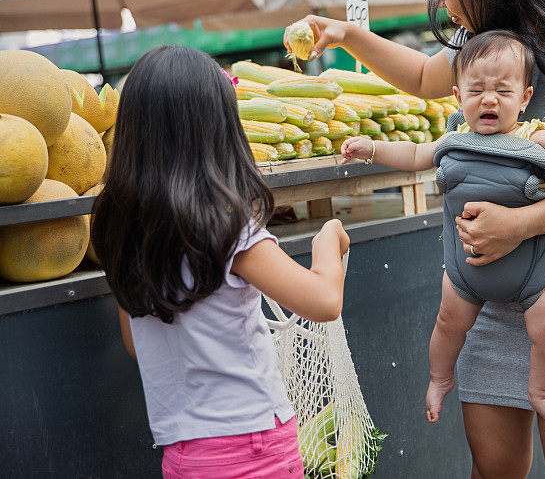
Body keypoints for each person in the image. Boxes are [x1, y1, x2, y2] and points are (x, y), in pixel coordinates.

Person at [286, 0, 545, 476]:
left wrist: (522, 224)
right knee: (493, 468)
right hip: (481, 300)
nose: (440, 0)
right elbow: (423, 77)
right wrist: (346, 35)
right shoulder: (479, 44)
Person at [90, 46, 350, 478]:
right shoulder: (229, 230)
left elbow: (138, 342)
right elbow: (324, 301)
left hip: (185, 457)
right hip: (255, 450)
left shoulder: (122, 233)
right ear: (219, 129)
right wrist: (327, 241)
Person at [341, 30, 545, 432]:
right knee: (447, 322)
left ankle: (540, 394)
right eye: (476, 90)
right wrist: (371, 149)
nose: (489, 99)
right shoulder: (454, 137)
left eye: (502, 90)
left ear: (525, 97)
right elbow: (412, 155)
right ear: (458, 97)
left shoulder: (534, 134)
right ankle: (440, 378)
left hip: (534, 271)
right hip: (466, 270)